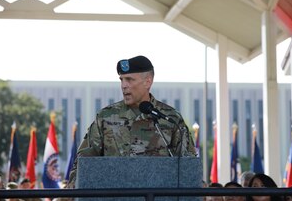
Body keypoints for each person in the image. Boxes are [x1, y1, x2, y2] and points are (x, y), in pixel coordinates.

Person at [67, 55, 196, 188]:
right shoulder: (106, 117)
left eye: (129, 79)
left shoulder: (170, 119)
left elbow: (188, 165)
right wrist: (70, 192)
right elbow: (84, 162)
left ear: (148, 81)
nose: (124, 86)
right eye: (121, 80)